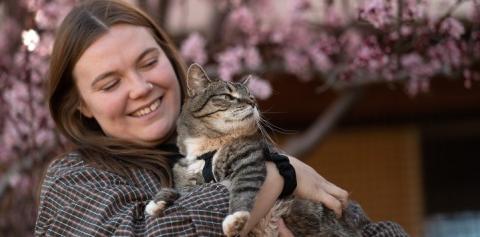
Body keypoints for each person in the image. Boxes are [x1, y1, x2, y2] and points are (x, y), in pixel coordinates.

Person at [35, 0, 409, 236]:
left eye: (149, 62)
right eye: (109, 83)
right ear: (80, 105)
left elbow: (361, 225)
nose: (140, 87)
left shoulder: (235, 142)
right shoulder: (75, 181)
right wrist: (276, 174)